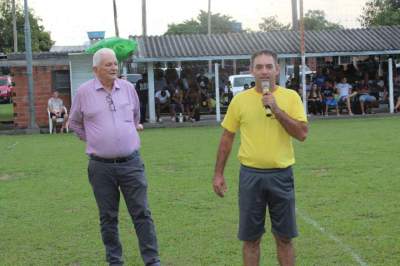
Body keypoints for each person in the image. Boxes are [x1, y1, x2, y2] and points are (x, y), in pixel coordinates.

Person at [212, 50, 308, 266]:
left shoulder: (290, 97)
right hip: (250, 176)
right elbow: (227, 138)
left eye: (268, 66)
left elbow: (302, 133)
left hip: (281, 175)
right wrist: (218, 173)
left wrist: (276, 109)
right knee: (250, 239)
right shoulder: (240, 101)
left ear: (277, 69)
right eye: (259, 67)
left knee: (284, 238)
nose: (264, 71)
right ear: (251, 71)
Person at [68, 48, 160, 266]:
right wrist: (93, 139)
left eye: (115, 64)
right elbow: (74, 122)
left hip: (131, 163)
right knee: (108, 217)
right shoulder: (83, 92)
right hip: (101, 167)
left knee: (142, 214)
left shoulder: (128, 89)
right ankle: (115, 261)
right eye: (108, 64)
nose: (113, 68)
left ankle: (152, 260)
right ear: (95, 69)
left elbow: (136, 116)